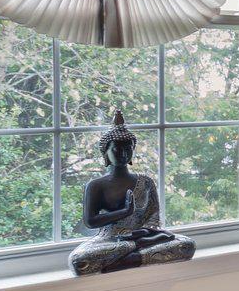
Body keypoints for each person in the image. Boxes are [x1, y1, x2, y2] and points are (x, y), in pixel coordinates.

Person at [69, 110, 195, 275]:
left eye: (127, 149)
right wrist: (124, 212)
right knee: (80, 262)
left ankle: (117, 263)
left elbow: (153, 220)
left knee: (186, 245)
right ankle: (133, 257)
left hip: (144, 237)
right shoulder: (95, 185)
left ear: (133, 151)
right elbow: (90, 221)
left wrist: (144, 235)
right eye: (116, 149)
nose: (122, 153)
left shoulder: (146, 182)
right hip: (111, 240)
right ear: (105, 152)